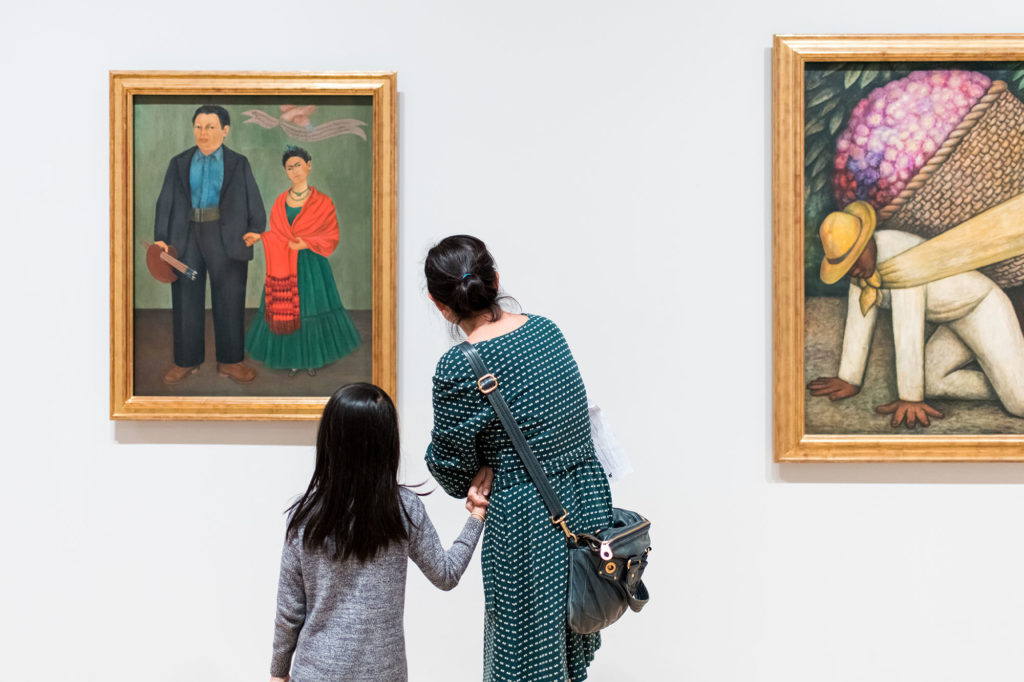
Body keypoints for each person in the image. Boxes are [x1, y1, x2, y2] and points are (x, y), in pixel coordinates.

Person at [423, 235, 614, 682]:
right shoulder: (546, 329)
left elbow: (451, 472)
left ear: (440, 305)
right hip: (585, 509)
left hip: (527, 525)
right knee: (568, 656)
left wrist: (485, 466)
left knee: (523, 665)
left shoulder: (459, 367)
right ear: (496, 280)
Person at [270, 383, 486, 682]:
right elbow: (446, 575)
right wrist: (477, 516)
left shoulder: (306, 515)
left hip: (316, 671)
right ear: (387, 443)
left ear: (330, 441)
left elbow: (289, 612)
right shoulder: (402, 508)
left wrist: (278, 674)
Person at [808, 200, 1024, 426]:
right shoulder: (863, 268)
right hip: (954, 320)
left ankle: (1011, 386)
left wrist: (910, 398)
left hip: (982, 309)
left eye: (855, 259)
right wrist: (849, 378)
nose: (854, 270)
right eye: (845, 265)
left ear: (867, 241)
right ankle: (1004, 384)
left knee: (1019, 404)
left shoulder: (901, 260)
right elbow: (860, 316)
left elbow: (908, 328)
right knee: (932, 382)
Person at [153, 104, 266, 384]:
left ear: (225, 131)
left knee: (229, 297)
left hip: (226, 238)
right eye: (199, 127)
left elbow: (253, 197)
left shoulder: (238, 163)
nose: (203, 133)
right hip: (185, 236)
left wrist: (256, 229)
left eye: (211, 127)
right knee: (185, 298)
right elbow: (165, 200)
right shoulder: (178, 162)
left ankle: (230, 362)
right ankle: (186, 361)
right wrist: (161, 238)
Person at [244, 146, 361, 376]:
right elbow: (278, 234)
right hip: (284, 264)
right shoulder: (280, 202)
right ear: (285, 172)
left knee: (311, 307)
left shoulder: (323, 202)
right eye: (290, 167)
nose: (294, 170)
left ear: (309, 165)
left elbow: (331, 234)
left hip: (312, 266)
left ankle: (312, 360)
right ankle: (292, 359)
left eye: (298, 165)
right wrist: (260, 237)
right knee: (288, 310)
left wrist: (306, 243)